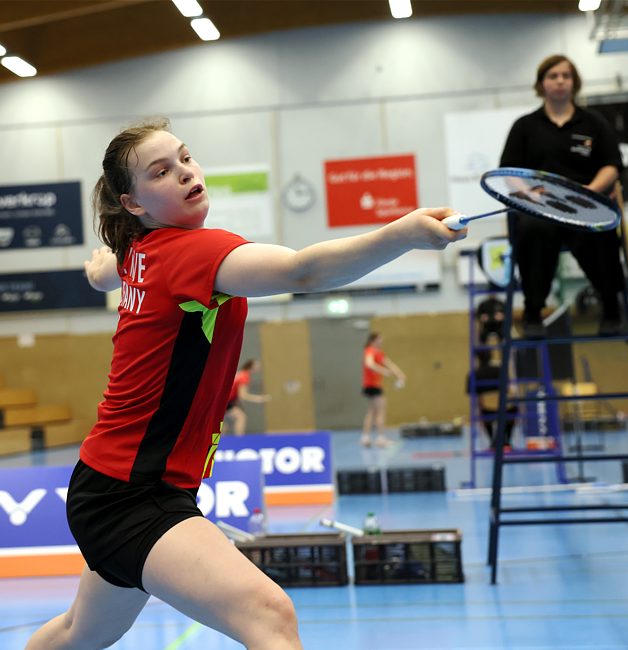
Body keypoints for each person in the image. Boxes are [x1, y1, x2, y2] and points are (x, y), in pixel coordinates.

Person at [26, 118, 465, 650]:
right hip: (133, 495)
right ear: (134, 204)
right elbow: (302, 273)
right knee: (270, 616)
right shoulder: (189, 253)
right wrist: (404, 234)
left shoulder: (145, 254)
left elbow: (112, 270)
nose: (185, 173)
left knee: (77, 634)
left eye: (185, 158)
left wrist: (102, 272)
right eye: (162, 172)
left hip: (110, 484)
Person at [499, 54, 625, 338]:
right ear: (542, 84)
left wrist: (590, 193)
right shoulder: (525, 127)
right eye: (553, 76)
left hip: (586, 204)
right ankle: (533, 313)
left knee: (602, 233)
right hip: (541, 208)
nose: (559, 81)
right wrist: (529, 193)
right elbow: (509, 173)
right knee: (532, 232)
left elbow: (612, 166)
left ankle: (611, 309)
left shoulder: (594, 123)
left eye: (565, 76)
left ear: (574, 82)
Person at [361, 332, 406, 448]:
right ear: (373, 340)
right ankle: (381, 438)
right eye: (379, 339)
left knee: (372, 411)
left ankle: (365, 437)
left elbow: (389, 364)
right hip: (373, 385)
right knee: (380, 411)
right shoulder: (370, 350)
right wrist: (383, 371)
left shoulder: (379, 353)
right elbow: (369, 364)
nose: (381, 341)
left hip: (373, 386)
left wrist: (400, 375)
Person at [226, 358, 271, 435]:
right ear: (251, 366)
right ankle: (239, 441)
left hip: (228, 401)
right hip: (225, 402)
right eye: (257, 365)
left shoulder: (241, 373)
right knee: (241, 417)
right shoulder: (245, 376)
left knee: (235, 418)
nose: (259, 366)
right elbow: (243, 396)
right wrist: (261, 399)